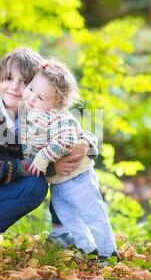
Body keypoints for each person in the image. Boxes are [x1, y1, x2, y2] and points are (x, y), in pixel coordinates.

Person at [0, 47, 98, 250]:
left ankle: (61, 232)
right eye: (9, 78)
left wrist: (85, 144)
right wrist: (50, 165)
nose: (14, 87)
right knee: (35, 186)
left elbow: (70, 128)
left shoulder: (35, 113)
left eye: (24, 82)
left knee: (67, 153)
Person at [20, 58, 120, 261]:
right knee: (67, 217)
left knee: (93, 214)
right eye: (30, 89)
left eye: (40, 97)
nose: (31, 98)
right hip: (58, 182)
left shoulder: (59, 117)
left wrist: (43, 156)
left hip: (77, 177)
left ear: (56, 103)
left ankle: (109, 253)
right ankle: (87, 247)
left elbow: (67, 139)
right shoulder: (31, 116)